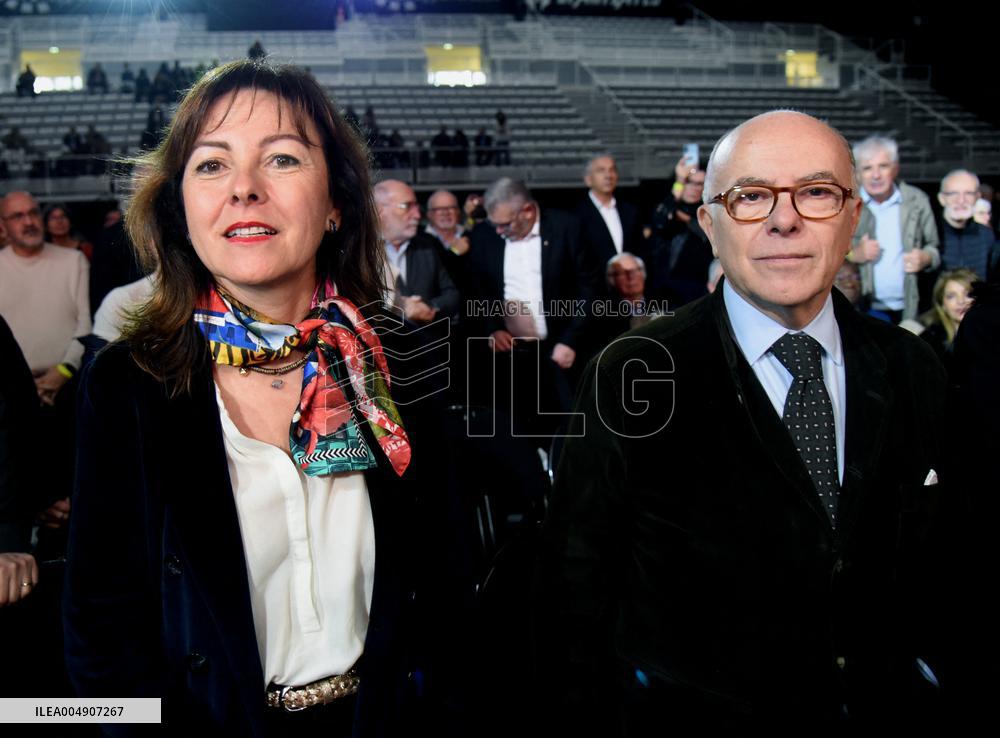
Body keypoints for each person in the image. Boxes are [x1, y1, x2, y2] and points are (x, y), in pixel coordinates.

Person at [539, 111, 953, 734]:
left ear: (853, 218)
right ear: (709, 223)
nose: (784, 220)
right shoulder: (633, 373)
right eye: (752, 196)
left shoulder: (911, 364)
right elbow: (574, 590)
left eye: (816, 193)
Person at [64, 59, 441, 736]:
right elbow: (102, 635)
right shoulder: (127, 385)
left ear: (335, 205)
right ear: (181, 206)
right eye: (211, 165)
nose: (243, 189)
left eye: (283, 159)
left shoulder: (398, 362)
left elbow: (449, 599)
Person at [850, 135, 940, 323]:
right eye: (867, 168)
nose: (876, 175)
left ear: (895, 168)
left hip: (912, 306)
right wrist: (853, 254)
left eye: (883, 166)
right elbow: (830, 251)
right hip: (865, 307)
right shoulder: (849, 204)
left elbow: (935, 249)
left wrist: (926, 257)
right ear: (857, 173)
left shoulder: (917, 200)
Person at [374, 179, 459, 325]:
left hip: (426, 343)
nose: (417, 215)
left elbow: (451, 294)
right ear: (380, 211)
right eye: (407, 206)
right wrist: (397, 307)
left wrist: (431, 309)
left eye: (416, 206)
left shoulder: (427, 246)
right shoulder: (357, 250)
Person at [575, 154, 646, 273]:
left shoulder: (630, 212)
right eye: (601, 170)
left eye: (612, 170)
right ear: (588, 179)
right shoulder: (576, 217)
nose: (608, 175)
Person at [937, 169, 998, 282]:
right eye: (953, 193)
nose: (961, 200)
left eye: (969, 193)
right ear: (942, 198)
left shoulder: (987, 236)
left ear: (977, 197)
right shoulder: (929, 234)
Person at [919, 268, 977, 371]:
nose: (961, 301)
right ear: (942, 304)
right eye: (951, 296)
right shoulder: (929, 342)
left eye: (968, 294)